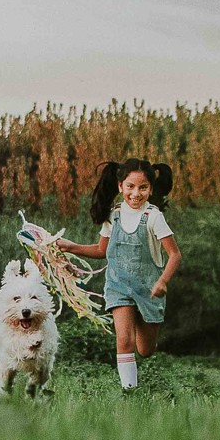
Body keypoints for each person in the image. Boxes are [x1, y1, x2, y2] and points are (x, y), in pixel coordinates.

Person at [56, 158, 182, 391]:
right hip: (118, 287)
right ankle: (130, 392)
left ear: (150, 189)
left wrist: (163, 281)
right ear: (120, 186)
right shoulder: (112, 216)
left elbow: (175, 255)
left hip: (149, 289)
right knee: (124, 340)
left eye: (143, 187)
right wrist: (71, 246)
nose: (136, 193)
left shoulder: (154, 216)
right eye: (130, 186)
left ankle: (139, 319)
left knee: (145, 350)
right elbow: (101, 250)